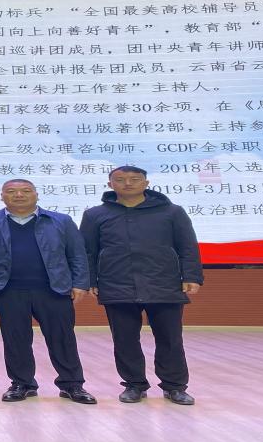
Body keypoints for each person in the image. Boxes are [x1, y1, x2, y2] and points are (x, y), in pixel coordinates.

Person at [80, 166, 204, 406]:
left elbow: (187, 246)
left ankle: (174, 386)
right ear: (110, 185)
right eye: (120, 179)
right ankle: (134, 385)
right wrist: (90, 280)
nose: (128, 183)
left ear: (146, 183)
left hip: (164, 283)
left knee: (170, 339)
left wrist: (192, 276)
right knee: (124, 339)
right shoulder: (95, 215)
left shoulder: (172, 212)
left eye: (134, 179)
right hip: (116, 283)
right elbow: (87, 251)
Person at [0, 179, 97, 405]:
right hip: (8, 290)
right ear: (2, 196)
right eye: (11, 191)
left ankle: (72, 384)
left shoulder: (61, 221)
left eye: (26, 191)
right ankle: (22, 383)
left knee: (62, 339)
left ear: (37, 195)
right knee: (15, 340)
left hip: (54, 289)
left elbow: (77, 254)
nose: (19, 195)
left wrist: (80, 283)